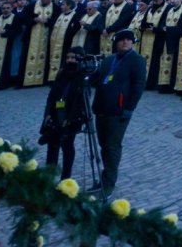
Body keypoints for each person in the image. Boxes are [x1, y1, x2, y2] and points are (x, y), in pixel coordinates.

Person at [91, 29, 146, 193]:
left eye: (129, 40)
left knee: (112, 146)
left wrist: (130, 108)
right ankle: (105, 177)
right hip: (102, 108)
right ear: (116, 42)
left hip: (119, 110)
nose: (125, 42)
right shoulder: (108, 60)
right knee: (103, 145)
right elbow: (98, 79)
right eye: (122, 40)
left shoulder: (137, 60)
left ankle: (108, 183)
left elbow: (138, 86)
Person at [41, 52, 89, 180]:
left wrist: (69, 119)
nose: (70, 60)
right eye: (68, 57)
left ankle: (66, 177)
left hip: (71, 117)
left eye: (73, 57)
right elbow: (52, 96)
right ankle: (49, 178)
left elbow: (81, 102)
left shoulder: (81, 77)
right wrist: (48, 114)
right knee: (52, 145)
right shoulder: (61, 74)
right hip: (56, 113)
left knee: (67, 146)